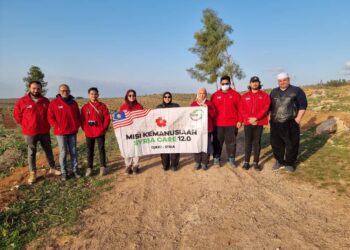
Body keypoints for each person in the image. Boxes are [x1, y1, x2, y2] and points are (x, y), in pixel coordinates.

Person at [13, 81, 61, 184]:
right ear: (29, 88)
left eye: (38, 88)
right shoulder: (22, 101)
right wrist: (27, 124)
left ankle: (52, 168)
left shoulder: (45, 101)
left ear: (41, 89)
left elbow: (50, 114)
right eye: (34, 88)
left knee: (48, 150)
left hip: (44, 131)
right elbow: (17, 116)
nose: (36, 90)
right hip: (30, 132)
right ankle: (33, 173)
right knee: (31, 153)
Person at [270, 72, 307, 172]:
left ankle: (290, 163)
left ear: (288, 79)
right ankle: (280, 161)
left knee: (292, 143)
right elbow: (269, 107)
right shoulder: (273, 92)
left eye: (284, 80)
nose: (282, 82)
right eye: (280, 81)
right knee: (276, 143)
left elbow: (303, 106)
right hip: (275, 122)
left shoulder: (297, 91)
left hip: (290, 122)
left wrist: (298, 118)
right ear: (278, 81)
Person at [48, 84, 81, 181]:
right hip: (60, 133)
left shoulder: (73, 103)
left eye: (67, 90)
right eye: (62, 91)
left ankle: (75, 170)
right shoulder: (54, 103)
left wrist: (76, 125)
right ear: (59, 92)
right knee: (63, 152)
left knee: (73, 151)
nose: (65, 92)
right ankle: (64, 172)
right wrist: (57, 127)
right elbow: (50, 117)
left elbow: (78, 116)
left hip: (72, 132)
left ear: (69, 91)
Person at [239, 76, 270, 171]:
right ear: (250, 84)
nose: (255, 83)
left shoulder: (265, 95)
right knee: (248, 142)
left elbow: (266, 108)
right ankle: (246, 162)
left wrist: (256, 118)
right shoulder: (245, 96)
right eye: (253, 82)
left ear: (259, 83)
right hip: (248, 122)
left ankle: (256, 162)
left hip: (259, 122)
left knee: (257, 142)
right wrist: (250, 119)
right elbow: (241, 109)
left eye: (256, 82)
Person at [210, 76, 241, 167]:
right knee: (217, 142)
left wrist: (240, 120)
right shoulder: (215, 95)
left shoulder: (236, 94)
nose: (225, 85)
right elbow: (211, 110)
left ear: (230, 83)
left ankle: (231, 159)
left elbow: (240, 109)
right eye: (223, 84)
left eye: (227, 83)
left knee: (231, 142)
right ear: (220, 84)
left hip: (232, 124)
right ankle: (216, 158)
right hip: (218, 124)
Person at [81, 87, 111, 177]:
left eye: (95, 94)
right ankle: (89, 168)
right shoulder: (85, 107)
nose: (93, 95)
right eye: (91, 94)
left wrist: (104, 128)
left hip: (100, 132)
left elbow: (107, 118)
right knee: (89, 150)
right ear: (88, 95)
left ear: (98, 95)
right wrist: (85, 129)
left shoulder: (102, 106)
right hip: (89, 132)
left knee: (101, 149)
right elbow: (82, 120)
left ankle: (103, 167)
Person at [191, 87, 216, 170]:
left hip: (207, 129)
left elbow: (214, 115)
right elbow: (189, 115)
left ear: (206, 94)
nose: (202, 95)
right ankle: (197, 162)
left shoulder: (210, 103)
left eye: (203, 93)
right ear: (197, 94)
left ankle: (204, 162)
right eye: (200, 93)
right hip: (196, 129)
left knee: (206, 146)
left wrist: (207, 109)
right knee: (197, 145)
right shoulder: (194, 104)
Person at [120, 89, 144, 174]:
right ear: (127, 96)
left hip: (136, 130)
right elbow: (120, 119)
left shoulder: (139, 106)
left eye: (133, 95)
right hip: (126, 131)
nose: (132, 97)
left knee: (137, 147)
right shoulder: (123, 107)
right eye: (130, 95)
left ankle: (136, 165)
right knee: (127, 148)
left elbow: (142, 118)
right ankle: (128, 165)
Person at [156, 92, 180, 171]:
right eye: (165, 97)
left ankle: (174, 164)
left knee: (174, 148)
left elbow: (181, 115)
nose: (167, 98)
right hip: (163, 131)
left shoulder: (176, 106)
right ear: (163, 98)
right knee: (164, 148)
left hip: (173, 131)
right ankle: (165, 164)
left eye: (169, 97)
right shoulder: (159, 107)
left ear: (171, 98)